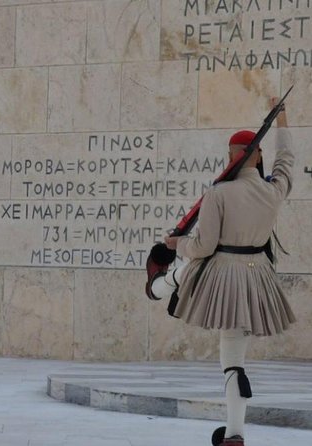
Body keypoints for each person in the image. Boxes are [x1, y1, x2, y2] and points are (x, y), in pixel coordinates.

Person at [156, 97, 295, 446]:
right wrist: (283, 124)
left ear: (230, 156)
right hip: (258, 276)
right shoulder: (274, 191)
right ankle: (234, 432)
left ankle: (160, 285)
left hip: (225, 274)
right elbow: (288, 161)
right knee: (235, 359)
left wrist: (177, 246)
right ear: (258, 156)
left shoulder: (219, 192)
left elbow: (203, 247)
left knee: (190, 267)